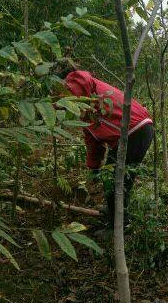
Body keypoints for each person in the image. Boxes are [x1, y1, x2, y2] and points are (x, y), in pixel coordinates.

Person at [64, 70, 153, 227]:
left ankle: (119, 225)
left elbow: (91, 134)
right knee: (118, 179)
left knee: (114, 181)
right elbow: (92, 137)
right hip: (141, 127)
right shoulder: (91, 87)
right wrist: (93, 166)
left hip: (133, 131)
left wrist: (94, 168)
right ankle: (115, 213)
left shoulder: (79, 97)